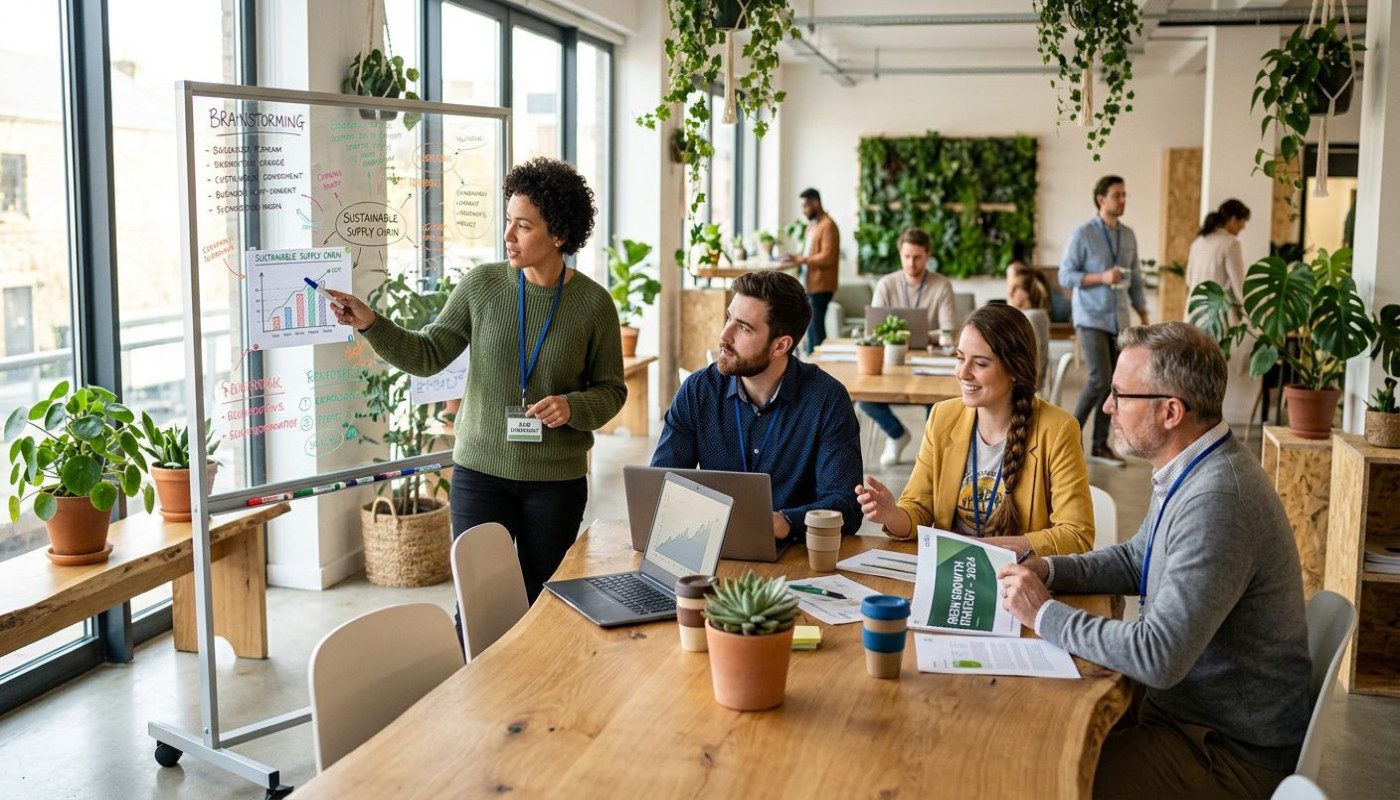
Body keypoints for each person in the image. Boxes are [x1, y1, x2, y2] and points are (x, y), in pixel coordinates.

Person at [998, 322, 1310, 799]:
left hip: (1222, 752)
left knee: (1038, 775)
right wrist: (1048, 568)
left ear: (1170, 411)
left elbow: (1157, 656)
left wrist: (1042, 613)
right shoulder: (1195, 466)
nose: (1107, 407)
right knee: (1029, 723)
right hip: (1188, 715)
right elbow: (1139, 557)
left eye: (1121, 395)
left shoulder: (1218, 498)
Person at [328, 157, 626, 603]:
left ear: (559, 233)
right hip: (479, 473)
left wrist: (573, 407)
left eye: (522, 226)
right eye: (508, 222)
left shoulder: (593, 304)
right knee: (477, 602)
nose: (508, 236)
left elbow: (611, 389)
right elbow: (429, 354)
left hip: (555, 483)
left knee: (541, 602)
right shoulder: (482, 286)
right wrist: (371, 323)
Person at [854, 304, 1093, 556]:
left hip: (1020, 580)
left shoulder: (1057, 430)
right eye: (960, 358)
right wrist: (893, 515)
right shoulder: (942, 417)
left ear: (1014, 370)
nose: (962, 373)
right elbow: (919, 509)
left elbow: (1076, 535)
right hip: (953, 575)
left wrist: (982, 550)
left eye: (979, 363)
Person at [651, 270, 863, 539]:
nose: (724, 336)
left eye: (743, 327)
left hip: (794, 556)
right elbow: (661, 485)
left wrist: (786, 522)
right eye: (729, 318)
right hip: (711, 549)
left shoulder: (827, 399)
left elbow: (845, 506)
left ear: (780, 345)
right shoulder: (698, 390)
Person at [1060, 175, 1150, 467]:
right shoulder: (1083, 234)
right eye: (1117, 195)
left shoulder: (1129, 236)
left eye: (1125, 195)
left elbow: (1134, 277)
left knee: (1115, 383)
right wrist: (1101, 277)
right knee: (1099, 377)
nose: (1122, 200)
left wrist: (1144, 313)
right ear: (1101, 199)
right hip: (1090, 317)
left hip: (1119, 318)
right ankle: (1066, 437)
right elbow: (1066, 276)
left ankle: (1099, 445)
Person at [862, 227, 959, 466]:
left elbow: (949, 332)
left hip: (929, 362)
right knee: (865, 399)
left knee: (937, 402)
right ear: (900, 255)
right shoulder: (886, 284)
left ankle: (929, 454)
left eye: (917, 257)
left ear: (928, 255)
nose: (911, 263)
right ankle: (897, 435)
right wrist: (928, 335)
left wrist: (918, 337)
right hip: (892, 361)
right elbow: (873, 331)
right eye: (906, 257)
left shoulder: (941, 285)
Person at [786, 188, 839, 354]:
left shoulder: (828, 226)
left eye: (805, 206)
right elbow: (809, 254)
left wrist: (802, 260)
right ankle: (812, 362)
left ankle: (817, 366)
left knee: (815, 328)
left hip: (821, 285)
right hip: (809, 284)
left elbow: (827, 257)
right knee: (811, 327)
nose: (803, 211)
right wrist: (796, 257)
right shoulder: (811, 226)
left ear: (815, 202)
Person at [1185, 199, 1250, 298]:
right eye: (1243, 222)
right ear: (1233, 220)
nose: (1243, 227)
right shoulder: (1231, 244)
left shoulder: (1197, 242)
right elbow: (1239, 286)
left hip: (1193, 311)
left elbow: (1188, 280)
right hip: (1216, 311)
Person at [1006, 264, 1051, 394]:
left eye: (1016, 288)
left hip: (1024, 390)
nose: (1010, 293)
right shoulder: (1037, 314)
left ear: (1029, 291)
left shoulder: (1031, 317)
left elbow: (1029, 364)